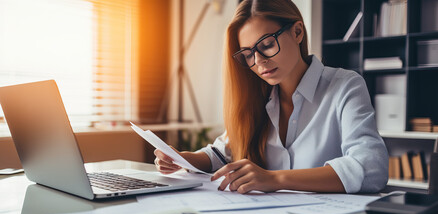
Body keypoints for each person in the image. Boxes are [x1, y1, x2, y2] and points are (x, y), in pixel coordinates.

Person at [153, 0, 388, 194]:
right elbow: (220, 153)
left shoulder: (344, 86)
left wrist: (276, 179)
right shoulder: (257, 96)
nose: (259, 62)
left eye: (266, 44)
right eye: (248, 54)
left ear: (297, 32)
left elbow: (371, 168)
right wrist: (183, 159)